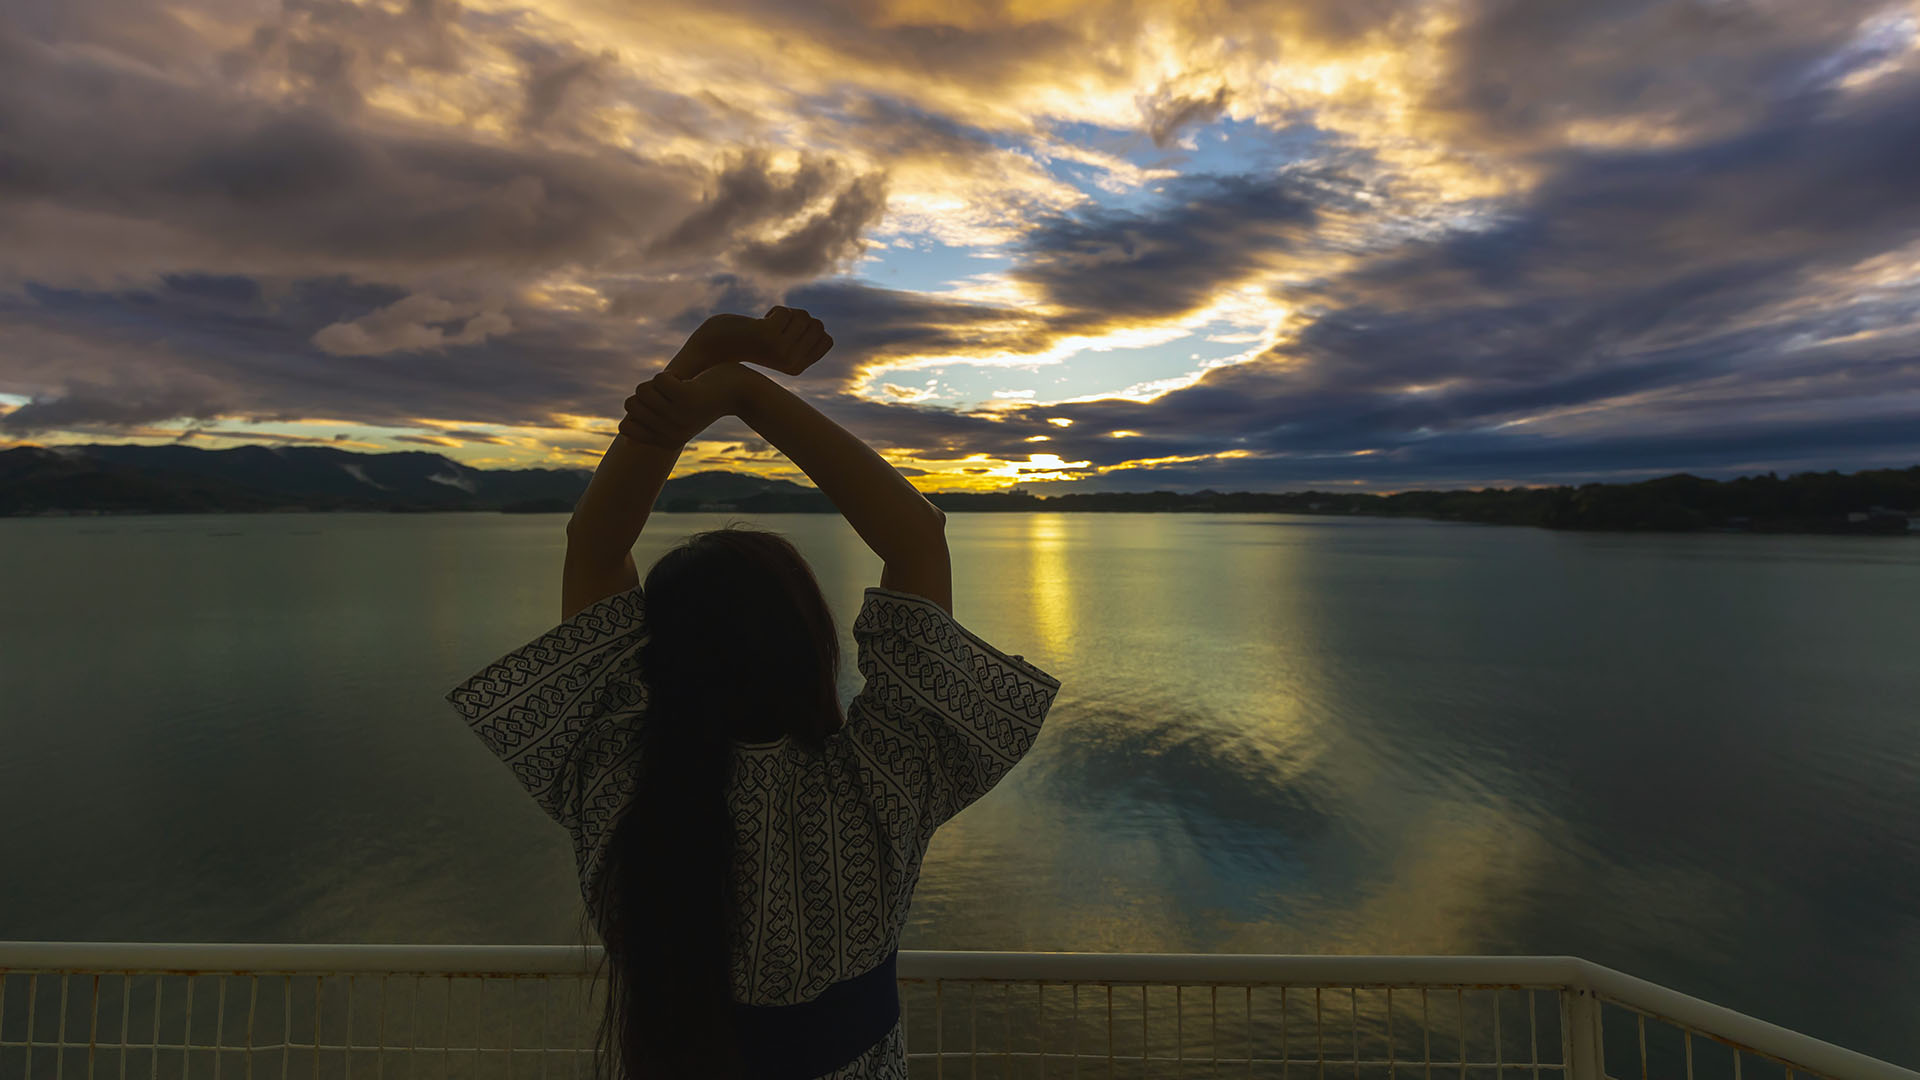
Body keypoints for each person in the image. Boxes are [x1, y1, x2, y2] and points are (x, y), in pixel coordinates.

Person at [443, 306, 1063, 1079]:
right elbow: (917, 538)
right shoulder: (878, 787)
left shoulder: (619, 786)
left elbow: (594, 546)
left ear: (653, 658)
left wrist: (706, 361)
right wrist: (742, 391)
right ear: (809, 647)